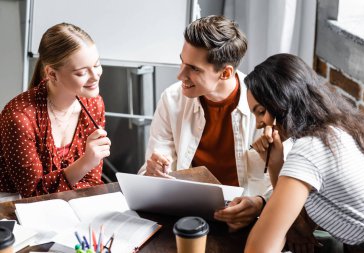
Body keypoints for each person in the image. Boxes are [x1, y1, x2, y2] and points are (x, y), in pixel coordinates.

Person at [138, 15, 269, 231]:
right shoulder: (171, 99)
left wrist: (259, 203)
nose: (180, 75)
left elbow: (282, 178)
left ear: (225, 73)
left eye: (194, 69)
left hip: (244, 222)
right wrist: (154, 172)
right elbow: (150, 170)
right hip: (185, 215)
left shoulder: (264, 107)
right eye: (182, 61)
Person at [244, 53, 364, 252]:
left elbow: (259, 248)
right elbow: (303, 226)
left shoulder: (311, 149)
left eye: (261, 111)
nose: (258, 123)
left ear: (281, 102)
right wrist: (275, 164)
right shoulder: (336, 129)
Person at [0, 23, 111, 198]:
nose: (95, 75)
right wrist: (85, 162)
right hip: (13, 207)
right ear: (52, 74)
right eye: (82, 72)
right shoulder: (19, 117)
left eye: (97, 65)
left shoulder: (94, 104)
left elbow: (91, 182)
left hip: (68, 203)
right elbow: (33, 194)